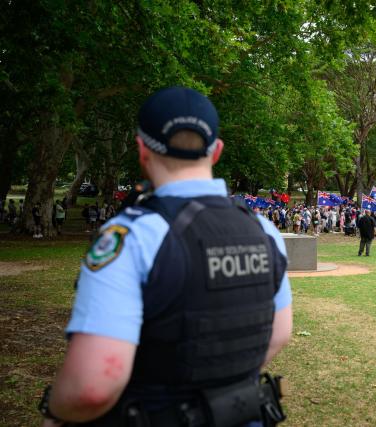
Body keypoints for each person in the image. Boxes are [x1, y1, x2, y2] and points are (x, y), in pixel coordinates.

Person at [38, 87, 292, 427]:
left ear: (142, 148)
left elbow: (92, 387)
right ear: (216, 151)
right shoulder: (264, 230)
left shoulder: (131, 238)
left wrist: (55, 411)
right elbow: (279, 333)